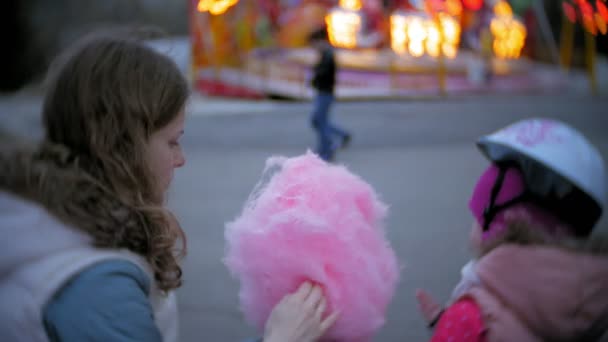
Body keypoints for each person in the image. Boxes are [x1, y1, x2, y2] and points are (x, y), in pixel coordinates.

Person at [0, 30, 336, 342]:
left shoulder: (65, 224)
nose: (181, 160)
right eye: (172, 142)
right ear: (121, 146)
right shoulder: (99, 289)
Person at [416, 118, 608, 341]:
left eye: (478, 214)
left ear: (501, 226)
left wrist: (454, 329)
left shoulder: (471, 318)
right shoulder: (587, 304)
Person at [308, 28, 351, 162]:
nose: (313, 48)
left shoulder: (328, 55)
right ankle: (340, 137)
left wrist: (316, 74)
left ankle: (327, 149)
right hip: (323, 92)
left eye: (314, 44)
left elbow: (323, 73)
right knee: (318, 121)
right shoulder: (325, 54)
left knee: (321, 121)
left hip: (325, 93)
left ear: (320, 41)